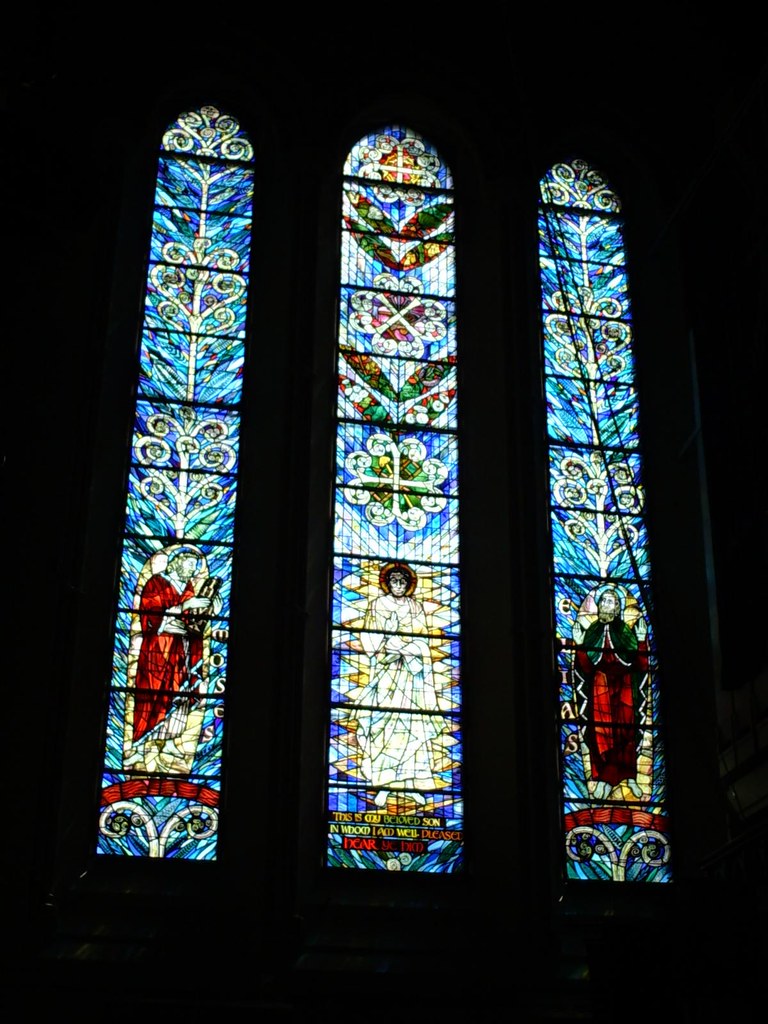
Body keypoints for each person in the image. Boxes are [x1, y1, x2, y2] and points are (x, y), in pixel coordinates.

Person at [351, 561, 441, 807]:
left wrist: (404, 647)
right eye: (394, 581)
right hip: (386, 676)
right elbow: (371, 638)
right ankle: (383, 784)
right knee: (384, 728)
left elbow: (422, 639)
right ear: (387, 583)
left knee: (413, 727)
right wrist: (387, 641)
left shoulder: (416, 606)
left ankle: (412, 784)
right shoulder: (377, 605)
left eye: (403, 581)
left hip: (412, 678)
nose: (399, 585)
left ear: (409, 584)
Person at [123, 546, 219, 768]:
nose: (193, 570)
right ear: (177, 561)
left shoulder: (187, 588)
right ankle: (137, 747)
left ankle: (168, 741)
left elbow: (193, 621)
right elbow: (148, 616)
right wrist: (184, 606)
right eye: (190, 564)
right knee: (151, 696)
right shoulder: (156, 583)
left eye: (196, 566)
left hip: (180, 651)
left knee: (178, 693)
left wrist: (210, 609)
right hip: (157, 651)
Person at [571, 587, 648, 800]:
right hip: (600, 688)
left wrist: (641, 640)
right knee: (600, 733)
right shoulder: (593, 631)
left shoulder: (625, 632)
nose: (607, 605)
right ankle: (603, 778)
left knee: (627, 731)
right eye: (603, 601)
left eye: (612, 602)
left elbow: (640, 665)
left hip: (624, 688)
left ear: (618, 608)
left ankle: (629, 776)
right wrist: (579, 644)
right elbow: (585, 667)